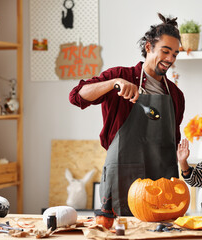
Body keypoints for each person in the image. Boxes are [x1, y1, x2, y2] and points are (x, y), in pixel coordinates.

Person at [69, 13, 185, 216]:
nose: (170, 59)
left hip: (162, 183)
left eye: (175, 54)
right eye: (165, 51)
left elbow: (173, 140)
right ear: (148, 47)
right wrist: (114, 84)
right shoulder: (119, 76)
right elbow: (77, 96)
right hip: (122, 178)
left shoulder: (175, 95)